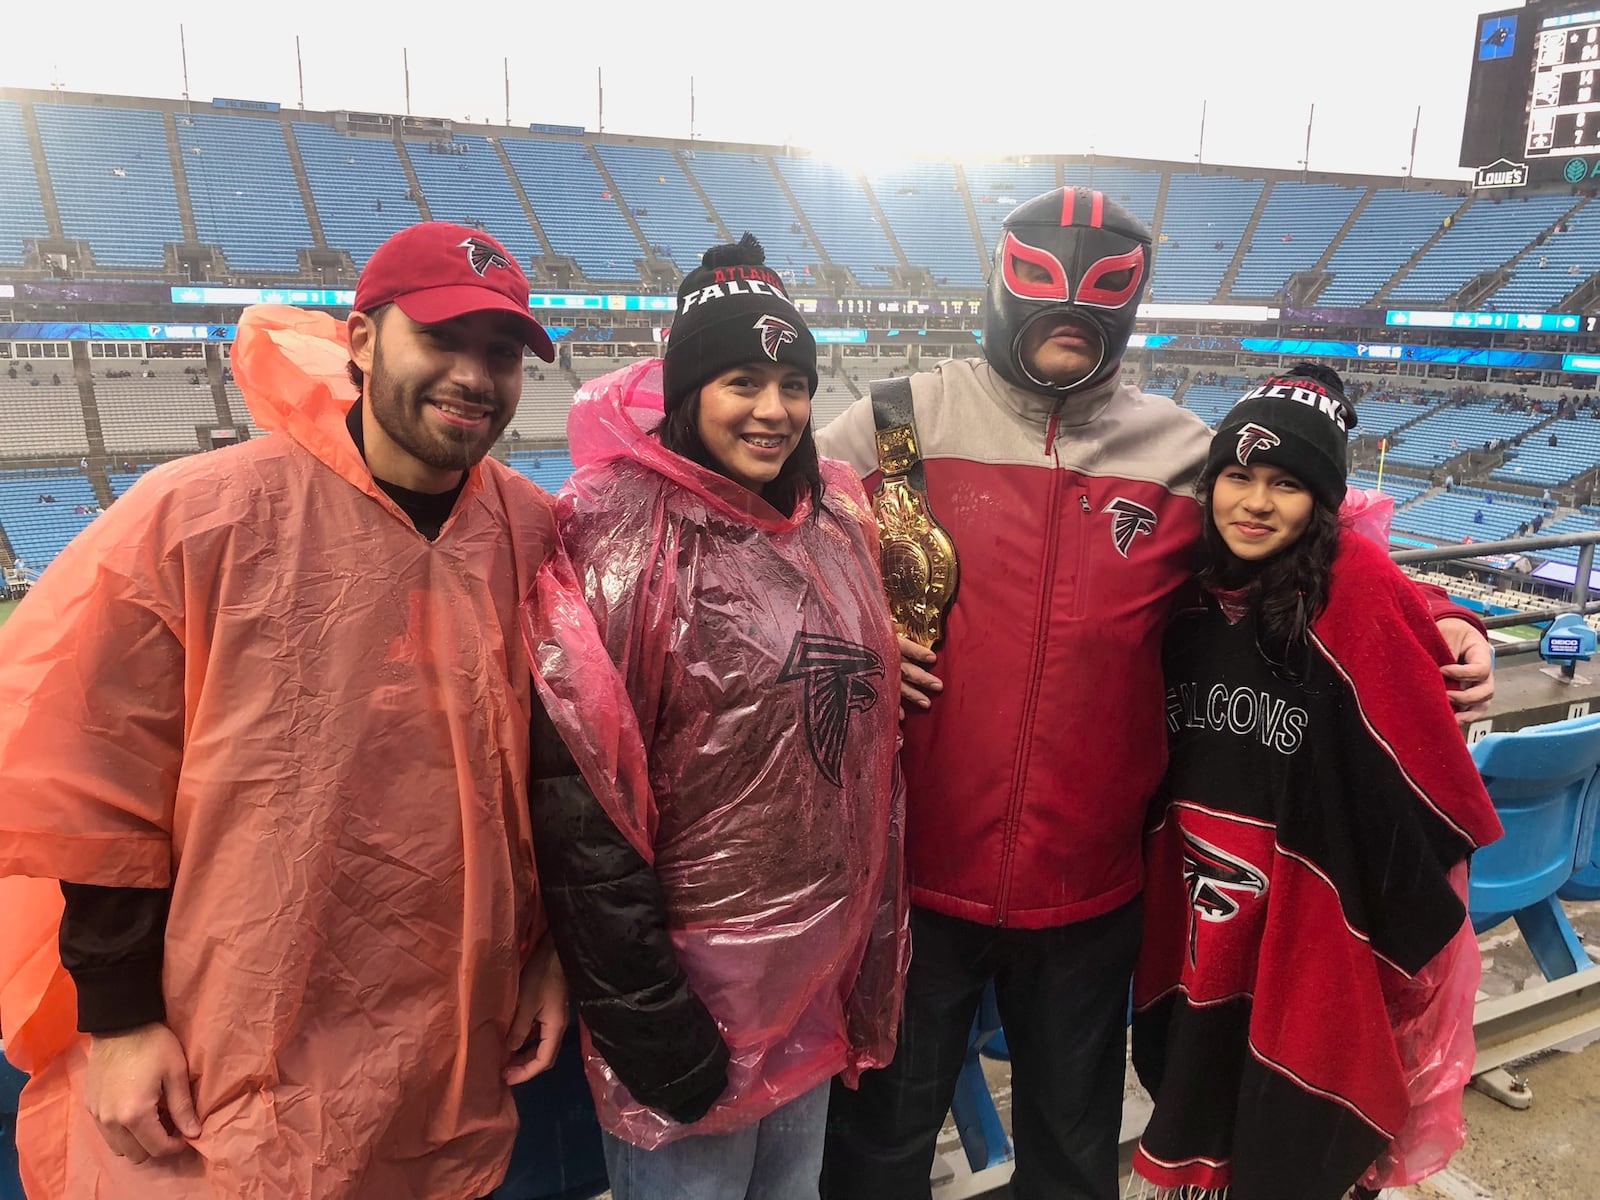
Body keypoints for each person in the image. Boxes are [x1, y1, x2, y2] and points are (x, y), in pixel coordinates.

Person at [814, 188, 1496, 1200]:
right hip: (910, 878)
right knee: (877, 1153)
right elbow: (763, 554)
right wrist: (850, 648)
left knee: (1071, 1155)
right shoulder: (884, 426)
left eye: (1097, 303)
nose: (1068, 322)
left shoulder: (1184, 452)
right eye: (1044, 295)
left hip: (1091, 893)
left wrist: (1444, 614)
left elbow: (1319, 541)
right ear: (1002, 288)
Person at [0, 222, 568, 1200]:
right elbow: (93, 777)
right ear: (360, 340)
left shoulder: (527, 527)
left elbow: (562, 770)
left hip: (448, 1037)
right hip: (230, 1033)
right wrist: (123, 1017)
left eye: (503, 354)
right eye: (444, 339)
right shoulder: (196, 517)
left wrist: (553, 952)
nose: (476, 376)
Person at [524, 234, 908, 1200]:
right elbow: (580, 799)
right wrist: (650, 1015)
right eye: (743, 380)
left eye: (794, 382)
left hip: (813, 984)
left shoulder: (834, 525)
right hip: (688, 1000)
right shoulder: (616, 531)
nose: (775, 410)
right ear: (689, 388)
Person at [1129, 366, 1501, 1200]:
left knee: (1293, 1139)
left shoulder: (1354, 590)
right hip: (1197, 910)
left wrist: (1449, 618)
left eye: (1286, 485)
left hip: (1309, 931)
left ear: (1322, 502)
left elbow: (1425, 780)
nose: (1255, 503)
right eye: (1238, 476)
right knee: (1199, 1107)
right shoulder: (1179, 585)